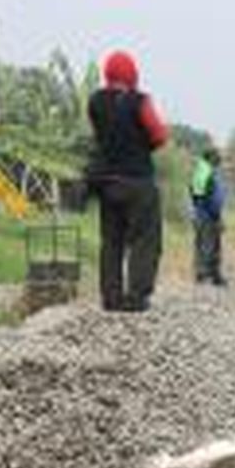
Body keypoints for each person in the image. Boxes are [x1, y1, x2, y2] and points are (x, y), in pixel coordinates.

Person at [86, 50, 168, 312]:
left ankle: (111, 297)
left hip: (107, 182)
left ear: (108, 73)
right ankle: (136, 296)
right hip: (138, 181)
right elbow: (159, 135)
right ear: (132, 74)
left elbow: (101, 135)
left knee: (111, 241)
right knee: (145, 239)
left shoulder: (95, 102)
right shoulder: (140, 101)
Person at [191, 144, 226, 286]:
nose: (220, 159)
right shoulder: (209, 173)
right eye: (217, 156)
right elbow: (212, 198)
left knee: (201, 244)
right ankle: (211, 275)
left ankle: (202, 273)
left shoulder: (200, 170)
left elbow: (194, 194)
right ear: (211, 157)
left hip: (199, 213)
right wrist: (217, 216)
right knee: (211, 245)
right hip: (209, 215)